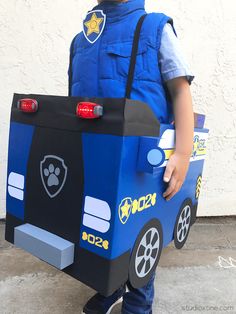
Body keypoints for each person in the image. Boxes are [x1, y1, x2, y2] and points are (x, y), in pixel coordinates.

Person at [68, 0, 194, 313]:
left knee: (138, 232)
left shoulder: (155, 28)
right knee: (96, 229)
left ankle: (138, 301)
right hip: (94, 156)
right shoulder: (82, 39)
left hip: (141, 162)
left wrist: (182, 151)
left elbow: (180, 89)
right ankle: (109, 287)